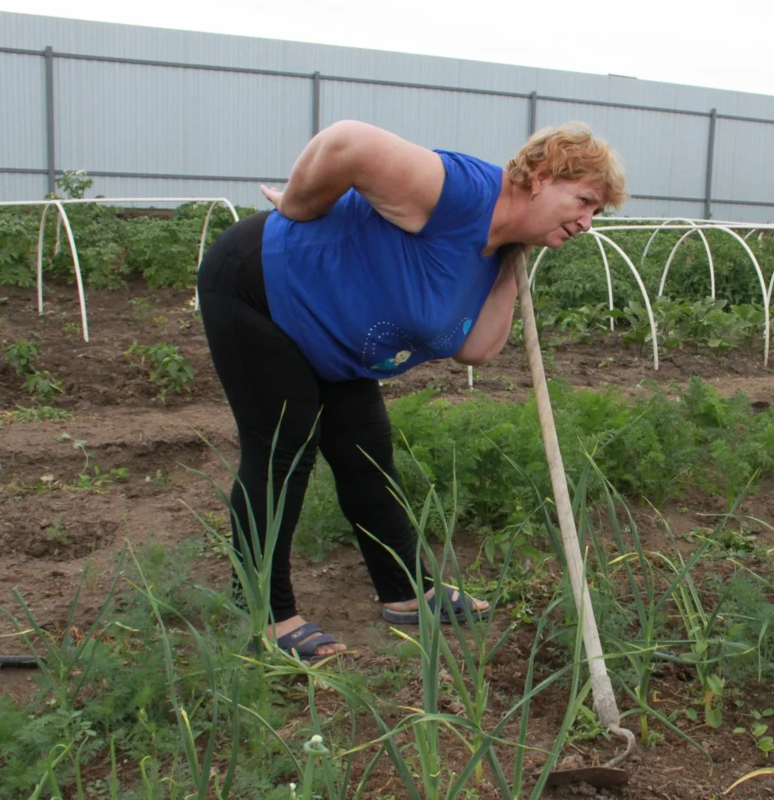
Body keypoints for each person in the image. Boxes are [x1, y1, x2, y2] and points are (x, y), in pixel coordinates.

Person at [196, 120, 628, 661]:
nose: (588, 222)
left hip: (332, 331)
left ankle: (407, 594)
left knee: (366, 455)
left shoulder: (499, 249)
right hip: (259, 287)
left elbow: (476, 350)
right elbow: (347, 142)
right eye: (584, 201)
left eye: (596, 212)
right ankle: (263, 614)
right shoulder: (463, 193)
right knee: (286, 447)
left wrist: (510, 265)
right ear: (541, 176)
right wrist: (299, 208)